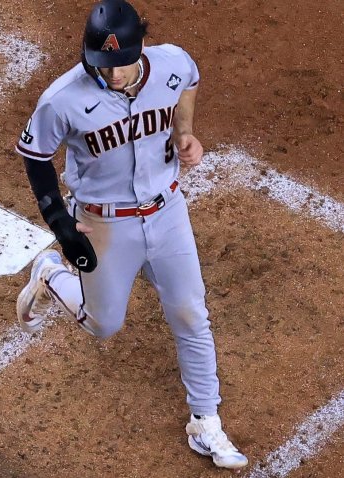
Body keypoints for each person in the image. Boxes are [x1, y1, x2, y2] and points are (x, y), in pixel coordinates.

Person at [14, 0, 247, 469]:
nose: (112, 75)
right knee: (104, 325)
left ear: (139, 51)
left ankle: (205, 421)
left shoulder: (171, 64)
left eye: (120, 65)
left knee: (190, 313)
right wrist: (59, 223)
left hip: (167, 211)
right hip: (105, 222)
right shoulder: (62, 99)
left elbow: (190, 82)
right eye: (101, 64)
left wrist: (185, 133)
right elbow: (35, 154)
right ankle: (50, 275)